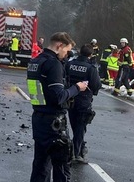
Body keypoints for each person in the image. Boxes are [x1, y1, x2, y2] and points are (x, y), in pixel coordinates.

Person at [27, 32, 88, 182]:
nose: (67, 55)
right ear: (59, 46)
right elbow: (58, 96)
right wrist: (76, 88)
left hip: (39, 117)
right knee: (62, 167)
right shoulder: (53, 64)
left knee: (40, 166)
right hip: (54, 123)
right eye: (66, 51)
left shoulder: (35, 61)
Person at [65, 44, 101, 164]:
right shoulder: (91, 68)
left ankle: (78, 148)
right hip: (83, 100)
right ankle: (76, 152)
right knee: (80, 127)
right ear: (90, 55)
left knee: (74, 124)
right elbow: (96, 85)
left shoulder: (70, 64)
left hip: (70, 98)